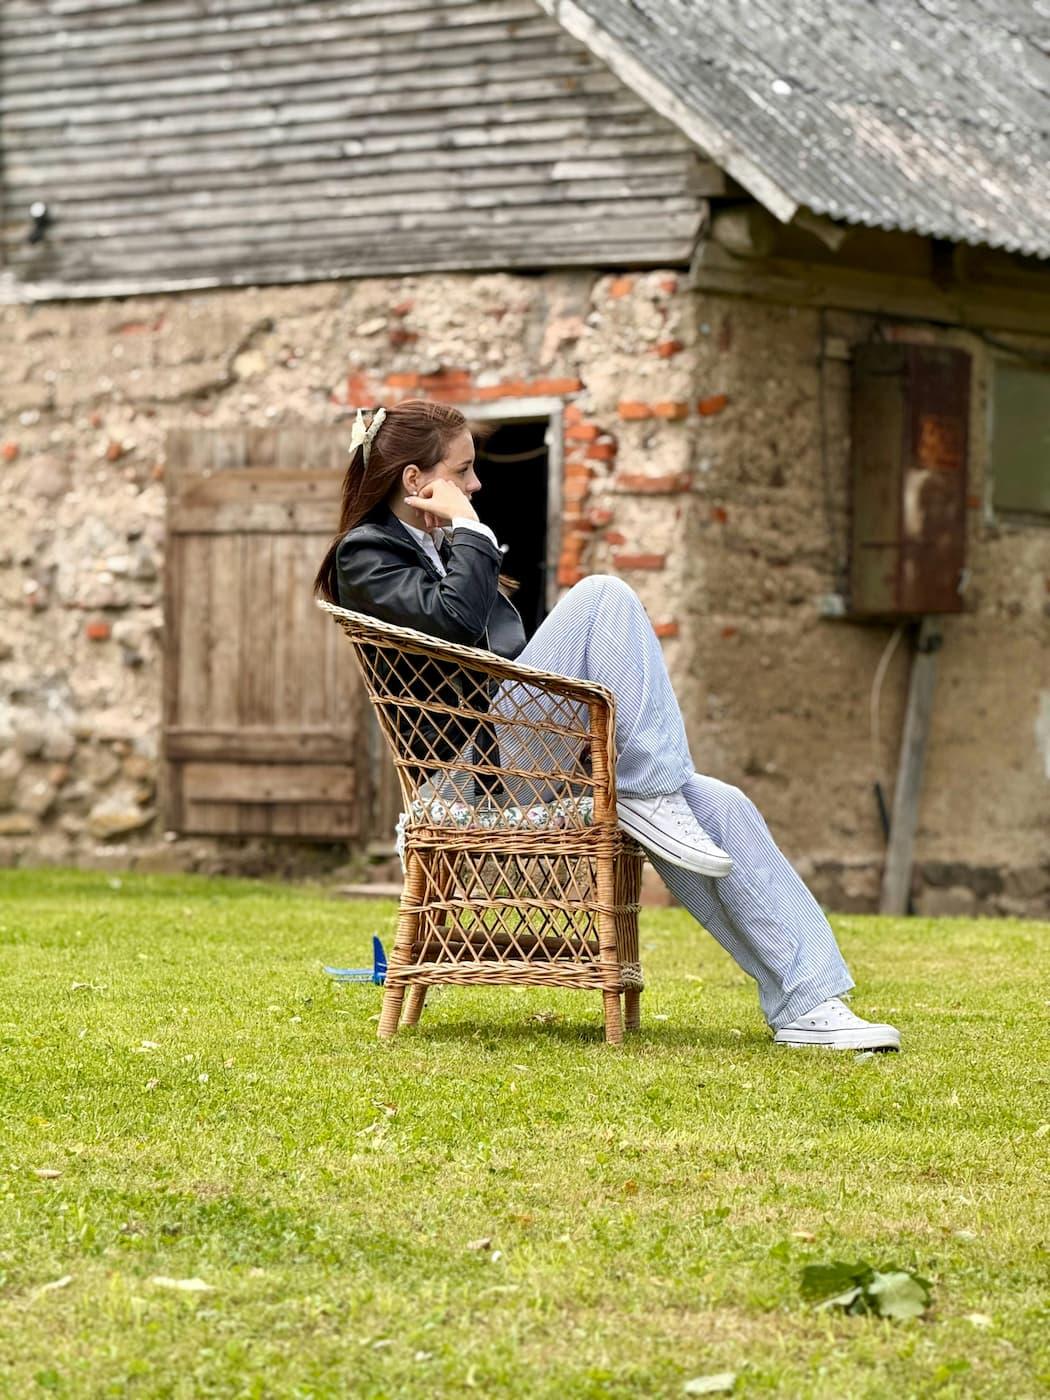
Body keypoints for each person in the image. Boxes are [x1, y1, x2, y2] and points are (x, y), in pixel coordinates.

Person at [315, 400, 900, 1052]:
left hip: (520, 757)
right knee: (603, 596)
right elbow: (452, 627)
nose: (476, 486)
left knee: (721, 806)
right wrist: (472, 532)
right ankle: (651, 787)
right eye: (465, 471)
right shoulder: (366, 554)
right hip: (469, 778)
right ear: (416, 480)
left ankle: (806, 999)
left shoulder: (449, 549)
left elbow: (503, 655)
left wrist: (464, 540)